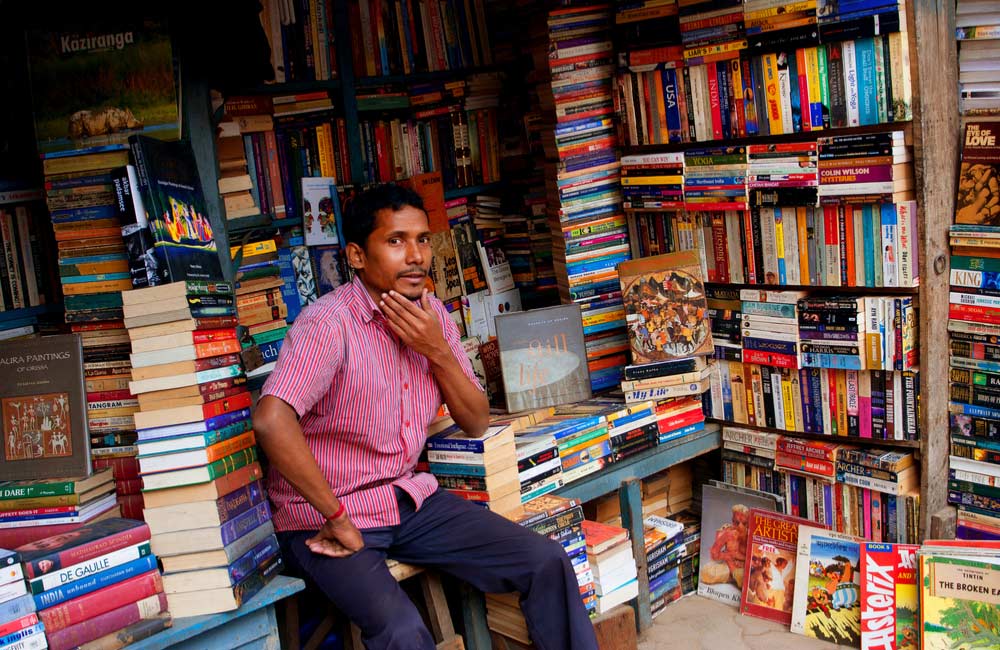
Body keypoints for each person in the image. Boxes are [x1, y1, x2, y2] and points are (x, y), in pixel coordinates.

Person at [253, 184, 598, 650]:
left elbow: (475, 421)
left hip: (407, 500)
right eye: (395, 241)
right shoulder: (328, 325)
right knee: (402, 631)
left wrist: (436, 350)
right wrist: (334, 514)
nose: (415, 255)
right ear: (357, 255)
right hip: (329, 517)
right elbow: (272, 420)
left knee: (546, 560)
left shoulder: (432, 313)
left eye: (422, 240)